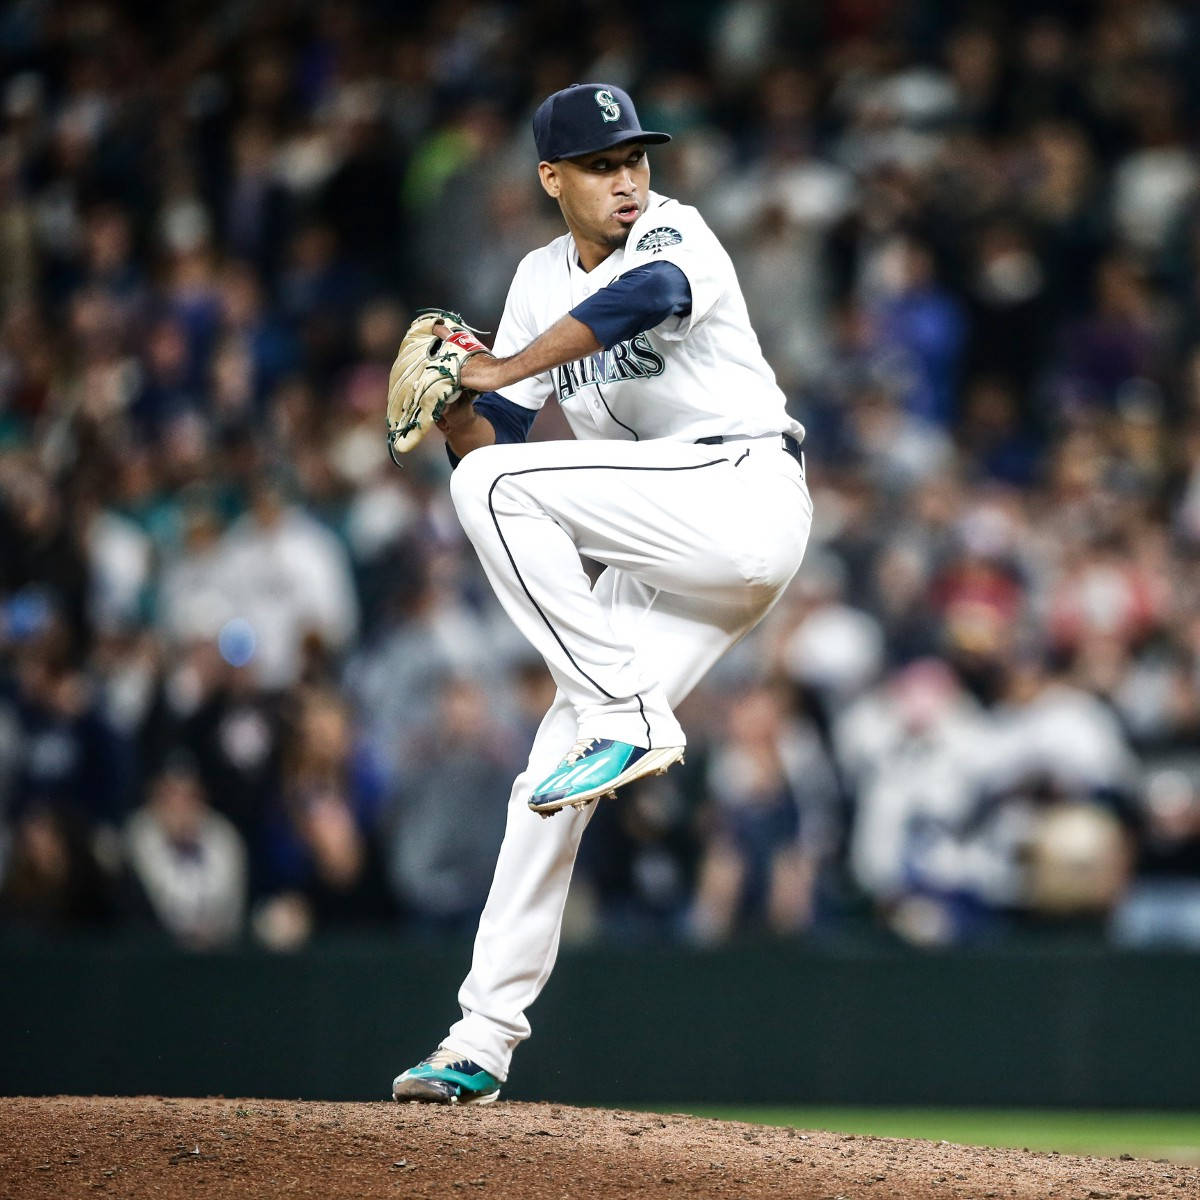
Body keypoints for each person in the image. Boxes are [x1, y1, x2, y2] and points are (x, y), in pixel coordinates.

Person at [392, 83, 813, 1104]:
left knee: (492, 493)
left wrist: (494, 372)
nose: (626, 178)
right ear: (551, 179)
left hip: (741, 491)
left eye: (635, 158)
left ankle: (625, 711)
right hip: (663, 540)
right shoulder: (537, 279)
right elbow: (501, 444)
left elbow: (644, 300)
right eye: (599, 164)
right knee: (548, 779)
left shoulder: (678, 233)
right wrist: (459, 406)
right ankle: (478, 1045)